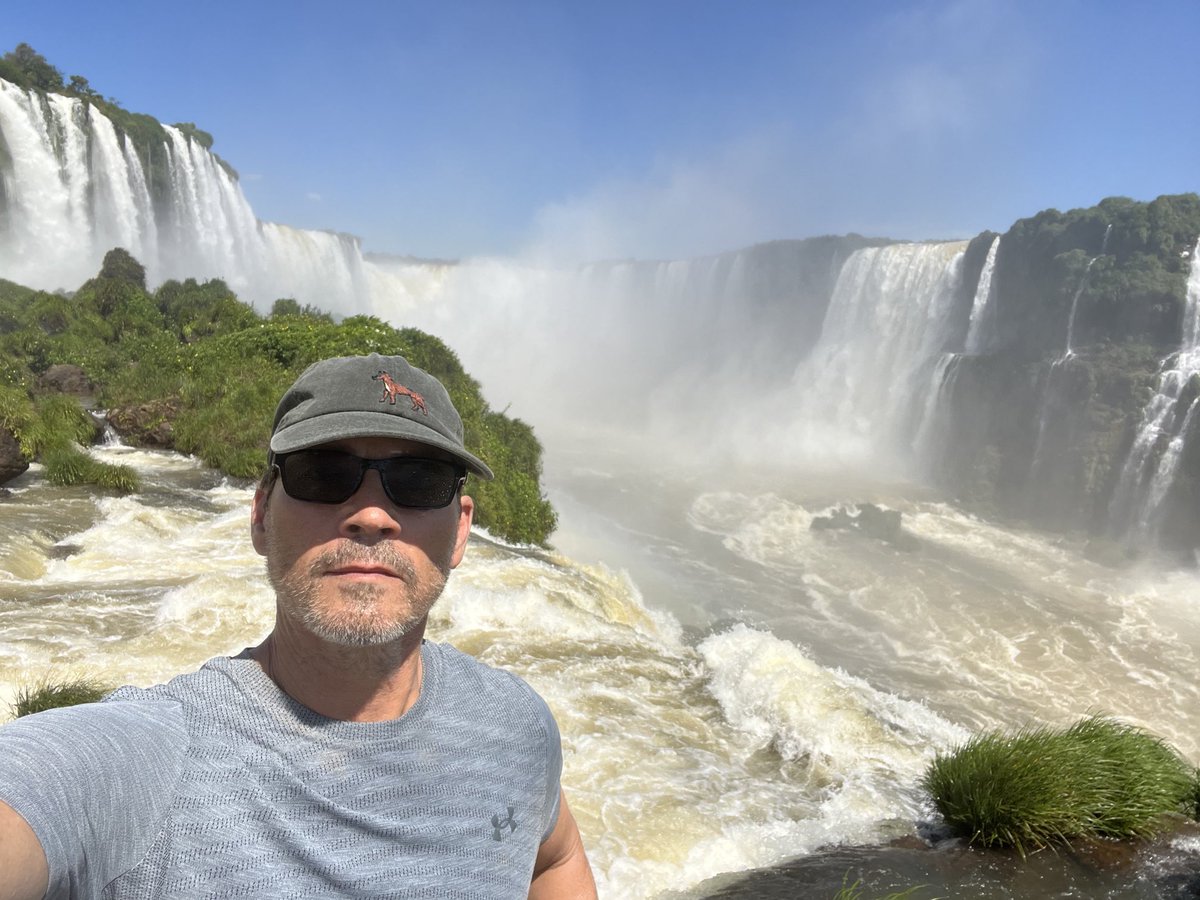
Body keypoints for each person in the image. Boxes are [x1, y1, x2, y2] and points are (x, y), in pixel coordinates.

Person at [0, 353, 597, 899]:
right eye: (323, 473)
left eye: (418, 482)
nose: (370, 515)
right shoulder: (143, 763)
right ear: (260, 514)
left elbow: (555, 857)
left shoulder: (516, 726)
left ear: (461, 529)